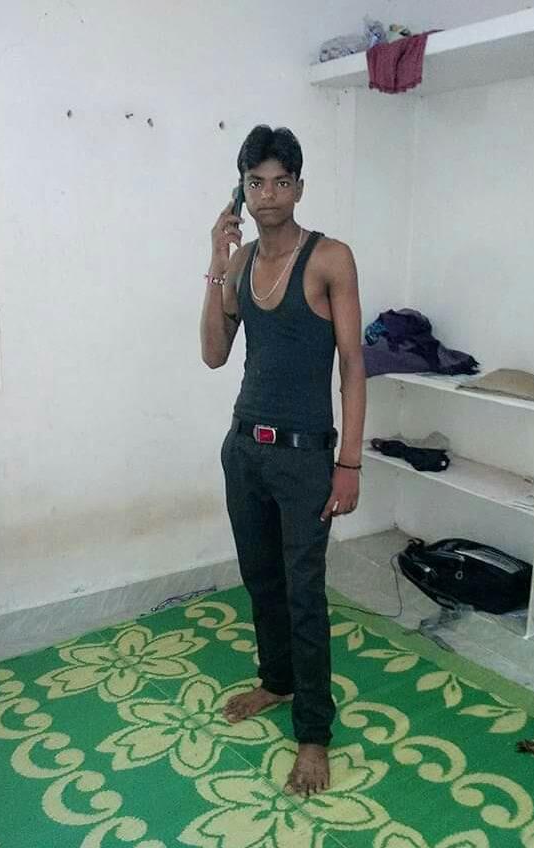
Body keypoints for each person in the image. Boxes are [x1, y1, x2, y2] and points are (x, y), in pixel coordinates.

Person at [200, 125, 365, 796]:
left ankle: (314, 733)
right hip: (244, 449)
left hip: (305, 458)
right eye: (255, 183)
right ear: (242, 190)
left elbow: (353, 364)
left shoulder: (330, 258)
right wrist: (216, 261)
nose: (268, 194)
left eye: (280, 182)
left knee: (303, 593)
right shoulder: (240, 264)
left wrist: (349, 463)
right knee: (261, 578)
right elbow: (214, 354)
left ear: (298, 187)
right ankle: (276, 681)